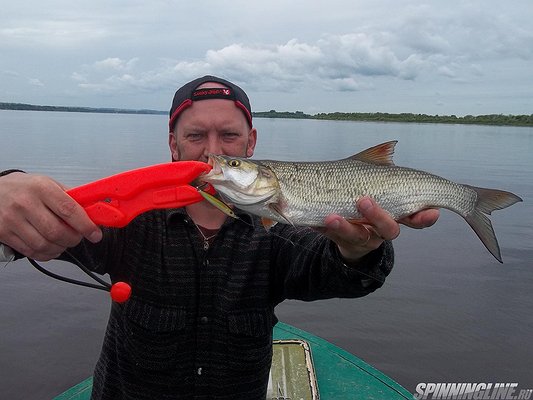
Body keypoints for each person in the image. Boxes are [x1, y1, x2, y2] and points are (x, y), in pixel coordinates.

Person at [0, 76, 439, 399]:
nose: (212, 151)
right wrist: (7, 191)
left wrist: (360, 252)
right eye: (195, 136)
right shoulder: (127, 218)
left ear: (251, 143)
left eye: (228, 135)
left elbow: (339, 274)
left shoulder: (278, 231)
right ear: (173, 146)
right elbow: (31, 233)